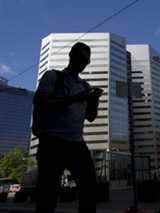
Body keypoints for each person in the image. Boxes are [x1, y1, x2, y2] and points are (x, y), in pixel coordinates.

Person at [33, 42, 103, 213]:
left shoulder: (84, 86)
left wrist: (94, 101)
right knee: (47, 195)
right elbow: (41, 102)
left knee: (89, 188)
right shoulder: (53, 77)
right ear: (71, 55)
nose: (83, 62)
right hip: (52, 141)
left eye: (86, 60)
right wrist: (75, 98)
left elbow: (91, 117)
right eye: (80, 57)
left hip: (76, 143)